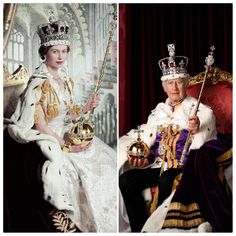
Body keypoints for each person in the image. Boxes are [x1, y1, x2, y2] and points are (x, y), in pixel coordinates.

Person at [6, 15, 117, 232]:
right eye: (55, 51)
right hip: (49, 136)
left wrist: (86, 107)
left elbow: (70, 114)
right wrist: (67, 146)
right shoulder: (37, 84)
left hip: (67, 131)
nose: (60, 56)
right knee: (73, 169)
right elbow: (41, 126)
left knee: (105, 161)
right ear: (44, 52)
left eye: (64, 50)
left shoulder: (65, 79)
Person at [119, 44, 217, 232]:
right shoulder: (158, 112)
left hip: (185, 166)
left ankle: (160, 229)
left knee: (165, 179)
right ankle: (140, 228)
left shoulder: (201, 111)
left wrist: (197, 128)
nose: (174, 87)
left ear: (186, 83)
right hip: (159, 165)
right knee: (127, 179)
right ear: (164, 86)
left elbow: (206, 133)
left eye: (179, 82)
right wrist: (141, 157)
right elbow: (149, 143)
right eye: (170, 83)